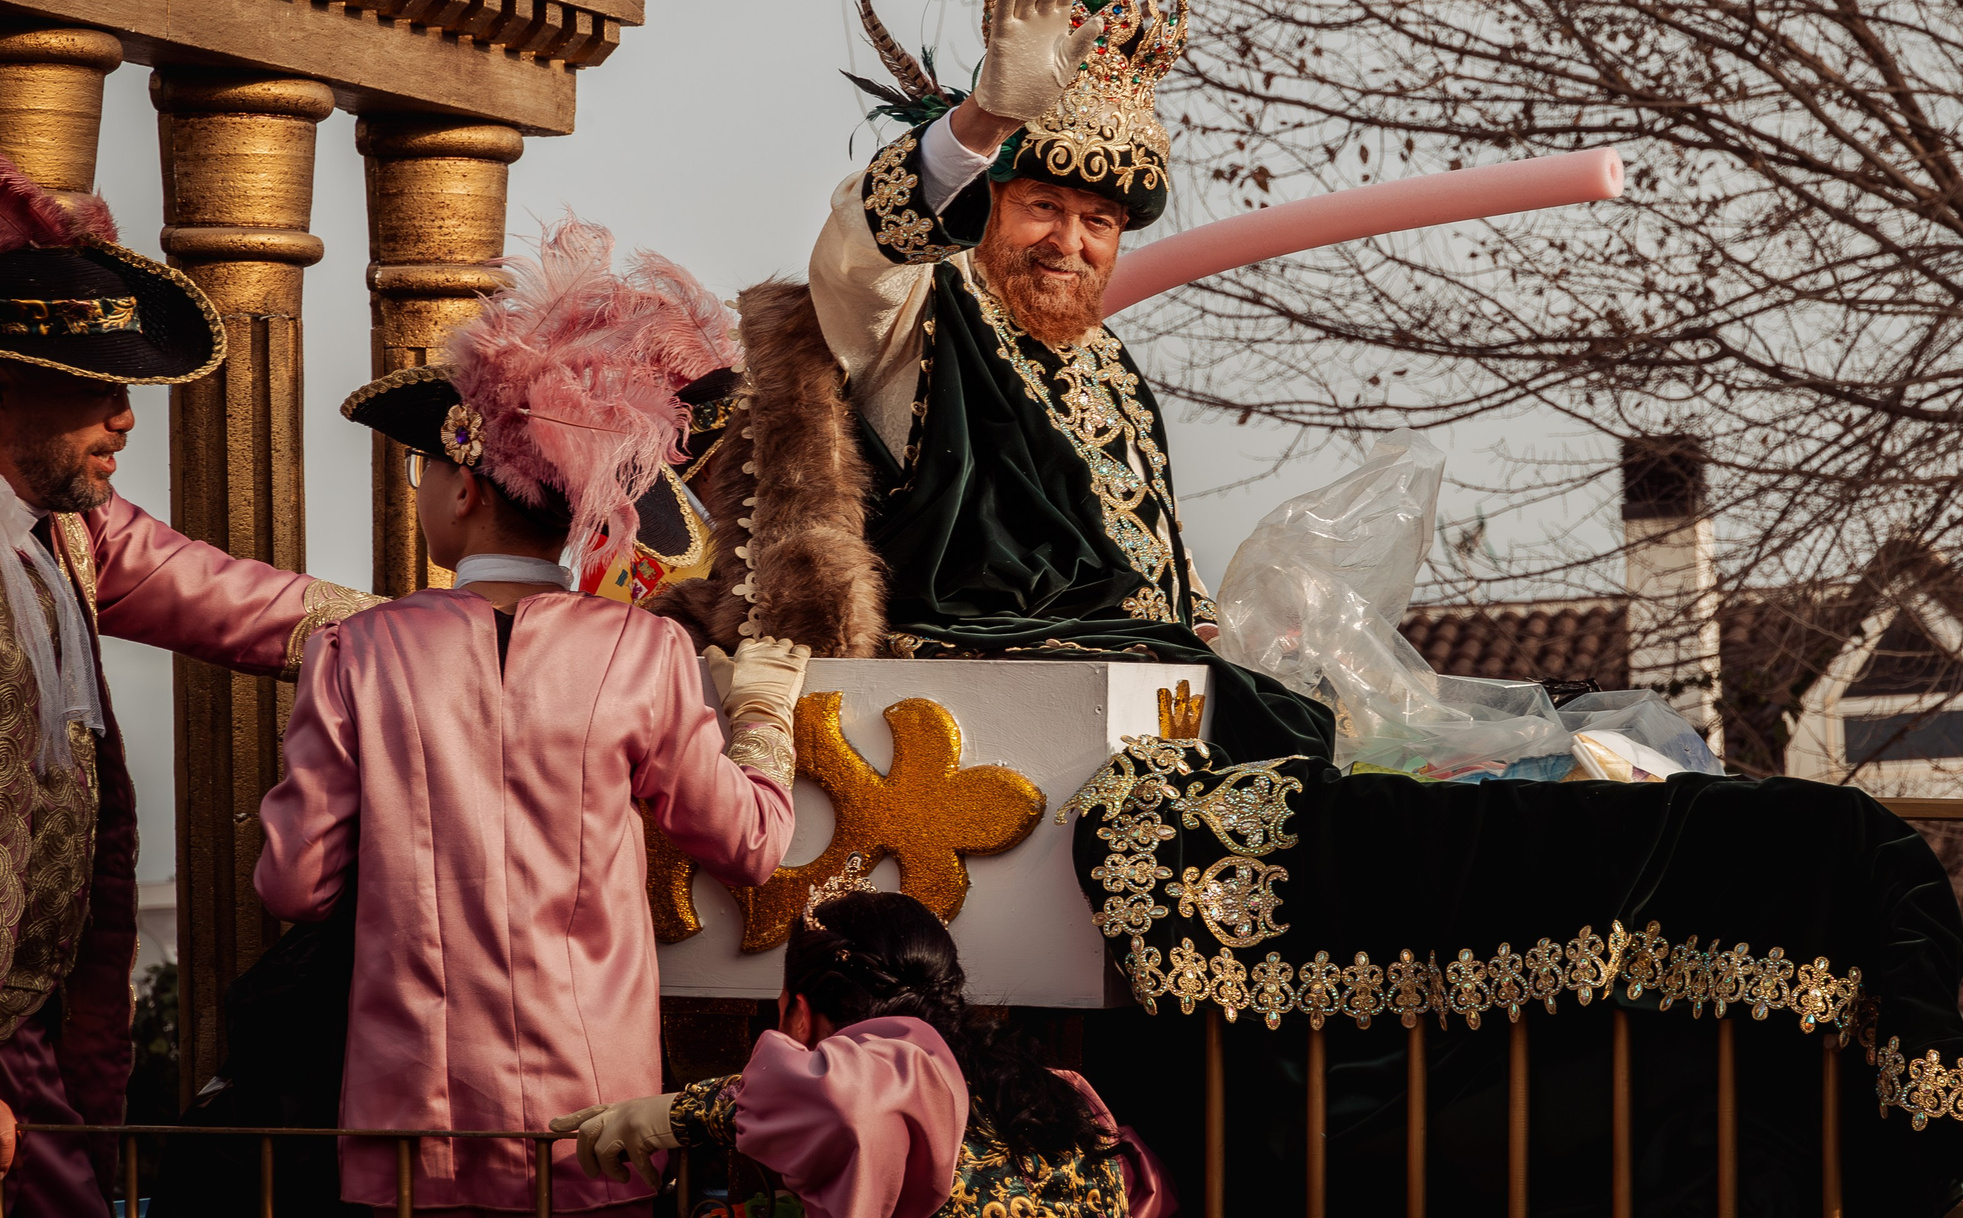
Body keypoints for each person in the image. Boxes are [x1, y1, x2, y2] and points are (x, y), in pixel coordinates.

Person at [646, 0, 1331, 761]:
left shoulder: (1110, 367)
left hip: (1139, 679)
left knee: (1298, 727)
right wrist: (985, 121)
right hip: (978, 691)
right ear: (988, 206)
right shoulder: (920, 308)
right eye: (1043, 206)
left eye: (1099, 222)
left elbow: (1155, 561)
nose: (1068, 243)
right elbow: (856, 254)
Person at [255, 220, 810, 1217]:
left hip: (409, 1130)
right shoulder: (647, 651)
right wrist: (764, 712)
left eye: (426, 469)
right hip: (596, 1131)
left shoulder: (357, 651)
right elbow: (751, 841)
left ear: (464, 484)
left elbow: (294, 882)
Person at [0, 157, 379, 1216]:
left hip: (42, 1045)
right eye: (92, 380)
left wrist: (455, 633)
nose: (127, 416)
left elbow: (247, 601)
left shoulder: (72, 527)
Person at [556, 883, 1170, 1218]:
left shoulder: (888, 1082)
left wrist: (680, 1114)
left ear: (797, 1013)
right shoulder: (1055, 1092)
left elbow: (846, 1095)